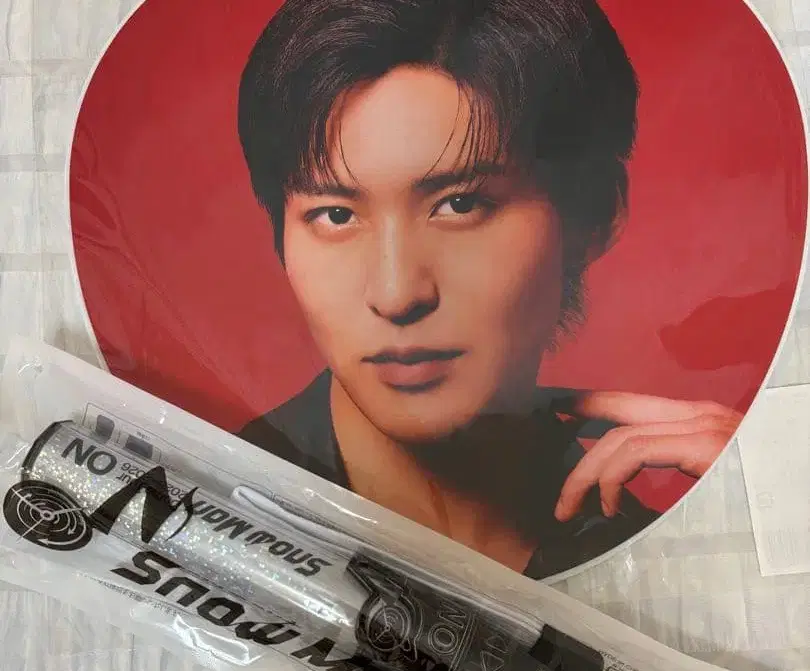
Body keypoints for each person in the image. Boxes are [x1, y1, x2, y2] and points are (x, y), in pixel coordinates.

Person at [235, 0, 741, 579]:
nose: (397, 294)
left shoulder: (672, 562)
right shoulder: (196, 504)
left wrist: (768, 505)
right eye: (335, 215)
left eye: (461, 204)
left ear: (594, 217)